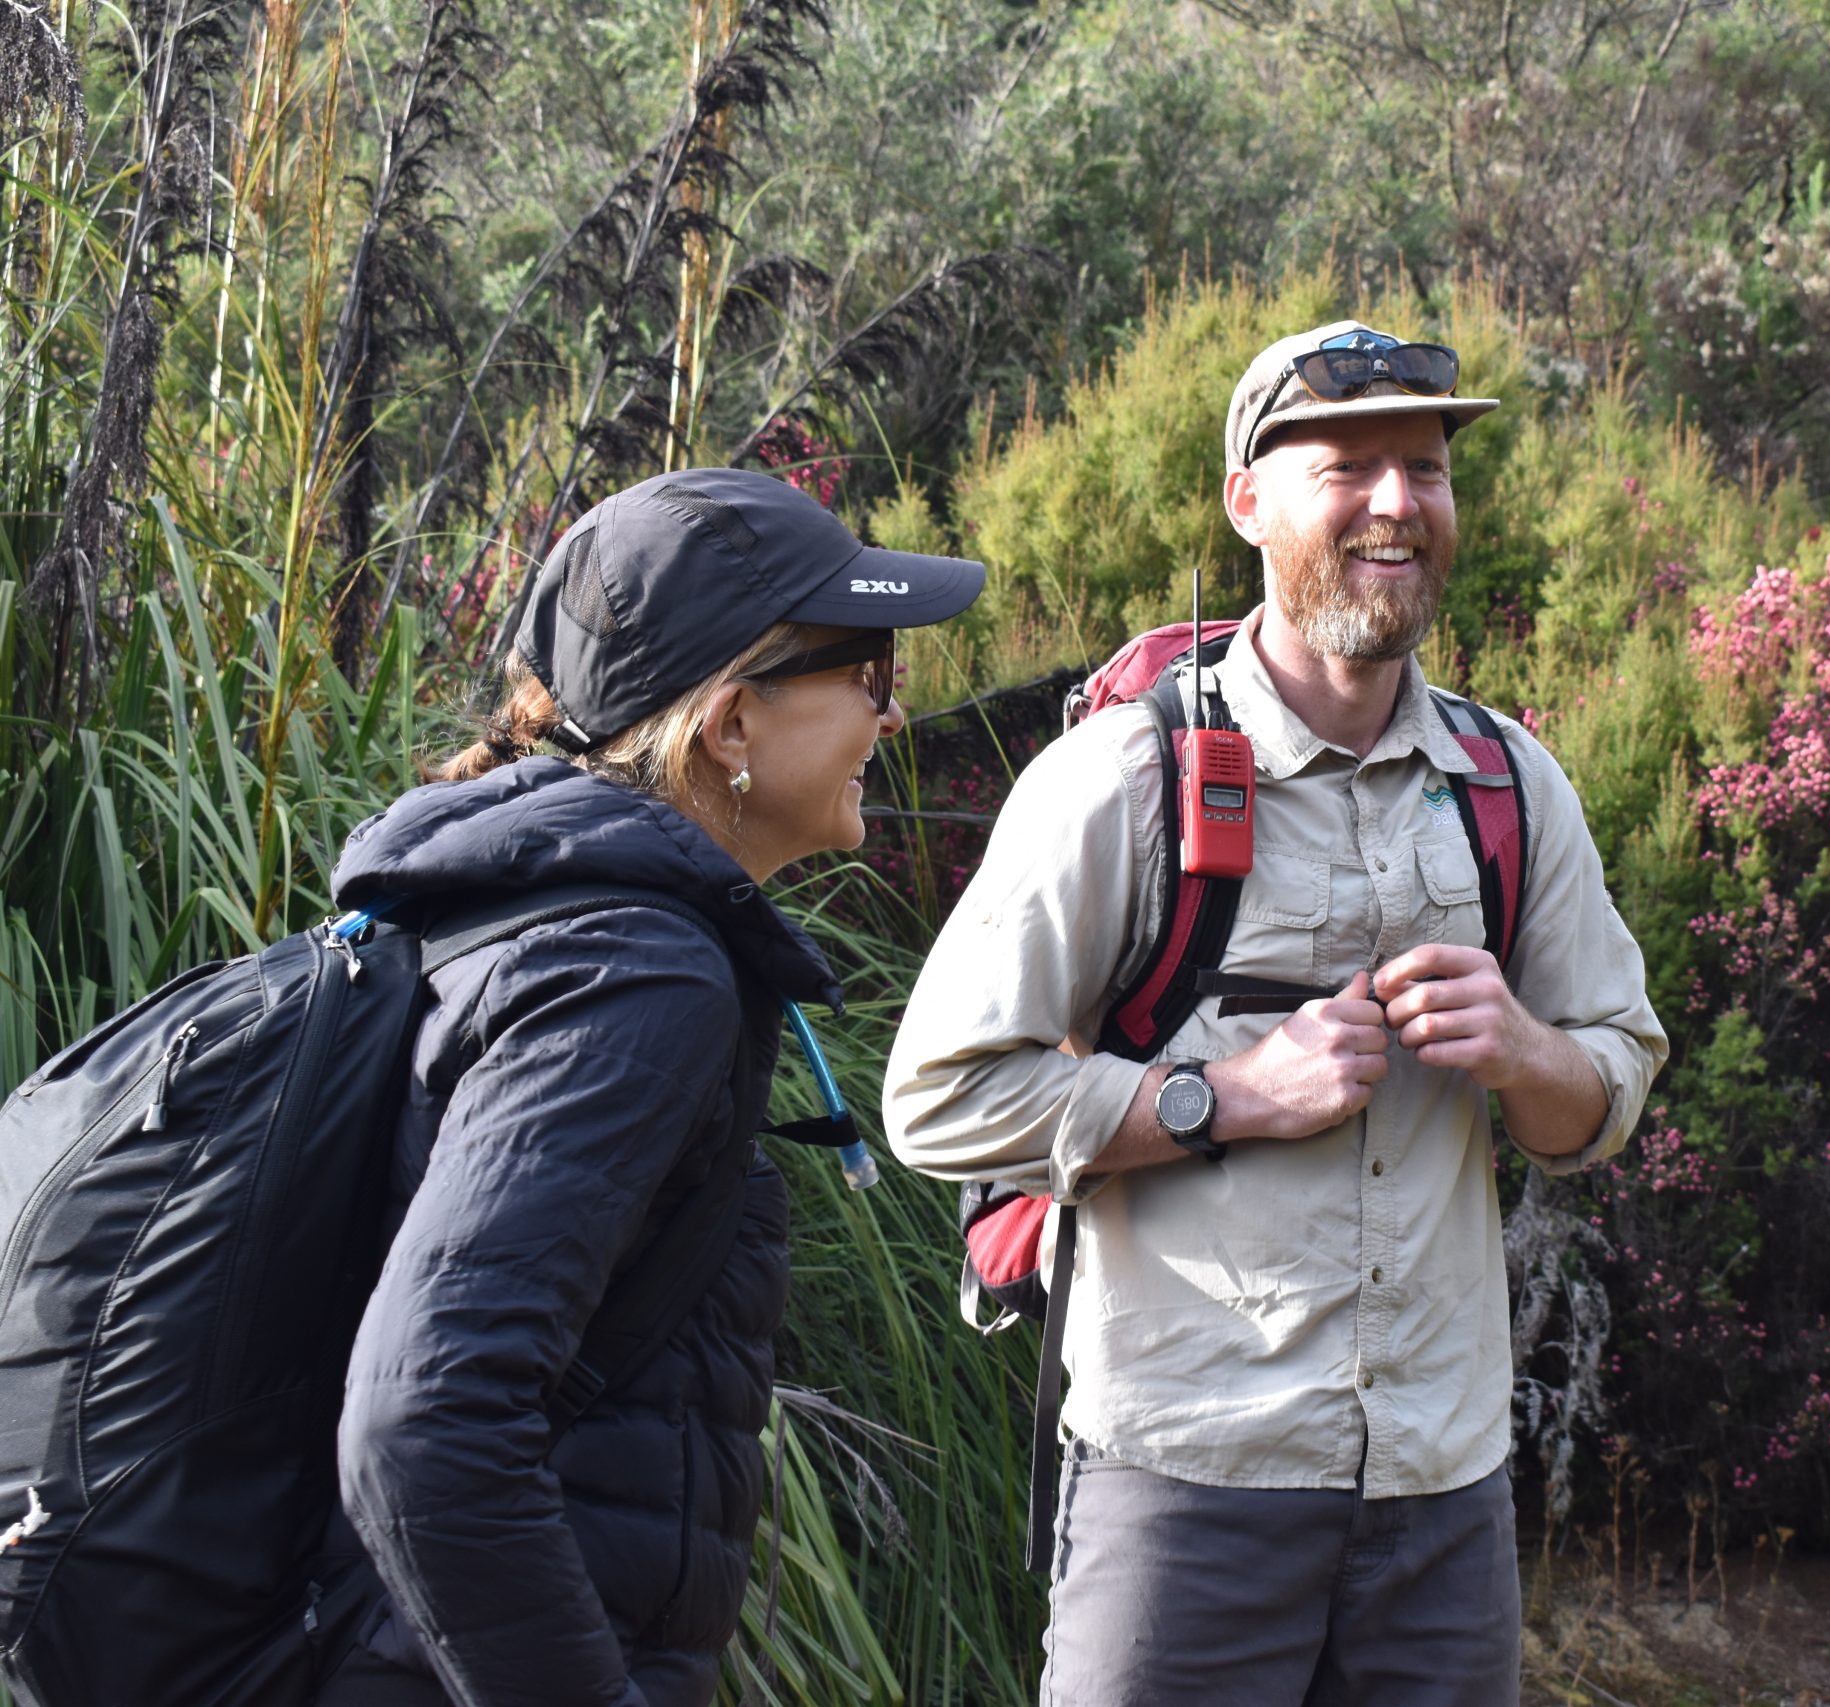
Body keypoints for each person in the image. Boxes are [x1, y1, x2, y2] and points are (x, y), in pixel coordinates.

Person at [884, 322, 1669, 1704]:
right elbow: (939, 1094)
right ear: (1247, 500)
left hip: (1442, 1493)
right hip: (1186, 1487)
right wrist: (1226, 1095)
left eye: (1423, 469)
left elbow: (1607, 1087)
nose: (1395, 502)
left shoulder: (1512, 780)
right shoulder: (1122, 775)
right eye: (1348, 465)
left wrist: (1526, 1050)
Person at [315, 468, 983, 1706]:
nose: (891, 718)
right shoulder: (635, 973)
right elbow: (426, 1416)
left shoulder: (507, 916)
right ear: (732, 725)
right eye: (870, 675)